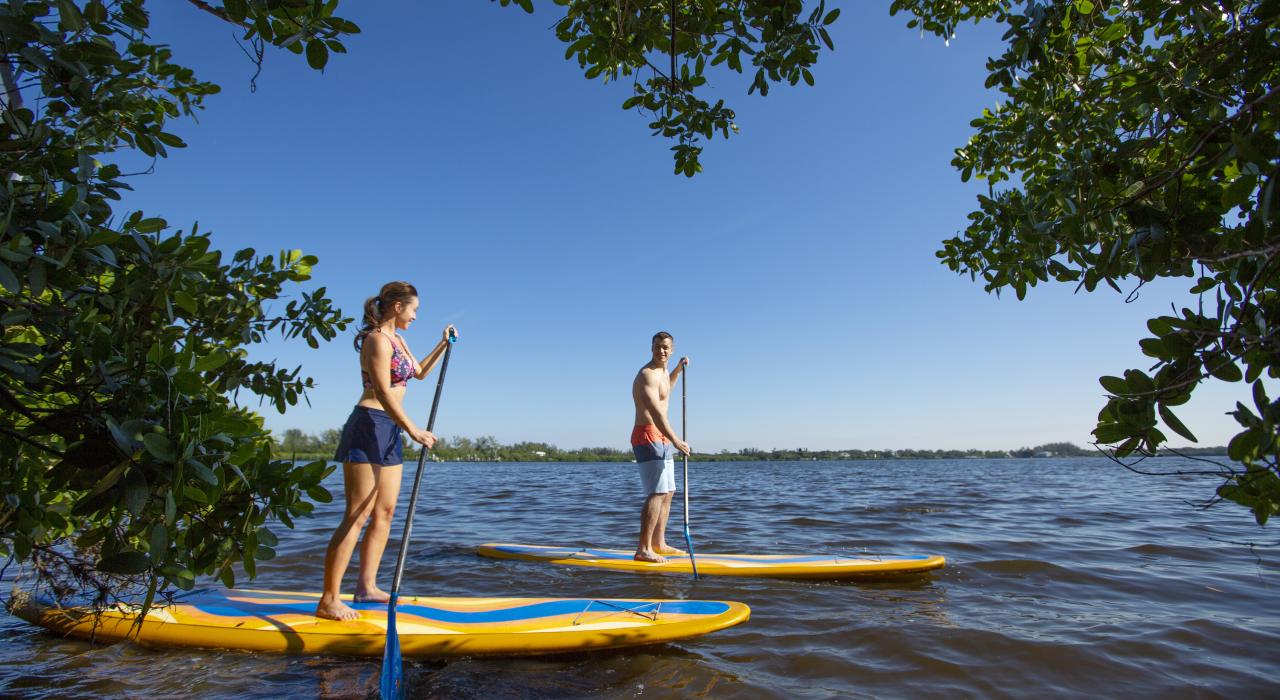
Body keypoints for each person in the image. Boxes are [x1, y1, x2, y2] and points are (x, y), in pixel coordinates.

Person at [315, 281, 457, 621]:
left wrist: (443, 343)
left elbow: (419, 374)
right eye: (414, 310)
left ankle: (366, 586)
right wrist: (413, 429)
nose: (415, 316)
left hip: (391, 428)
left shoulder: (399, 340)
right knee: (358, 513)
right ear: (397, 307)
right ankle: (329, 600)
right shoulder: (377, 339)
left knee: (385, 511)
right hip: (369, 425)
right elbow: (382, 390)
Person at [630, 331, 691, 563]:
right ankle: (643, 548)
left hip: (662, 437)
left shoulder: (663, 372)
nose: (661, 350)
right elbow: (656, 412)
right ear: (651, 348)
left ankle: (659, 543)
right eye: (657, 347)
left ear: (671, 349)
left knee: (669, 492)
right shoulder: (646, 375)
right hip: (647, 435)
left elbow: (667, 391)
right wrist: (676, 440)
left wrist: (677, 369)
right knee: (656, 493)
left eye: (665, 347)